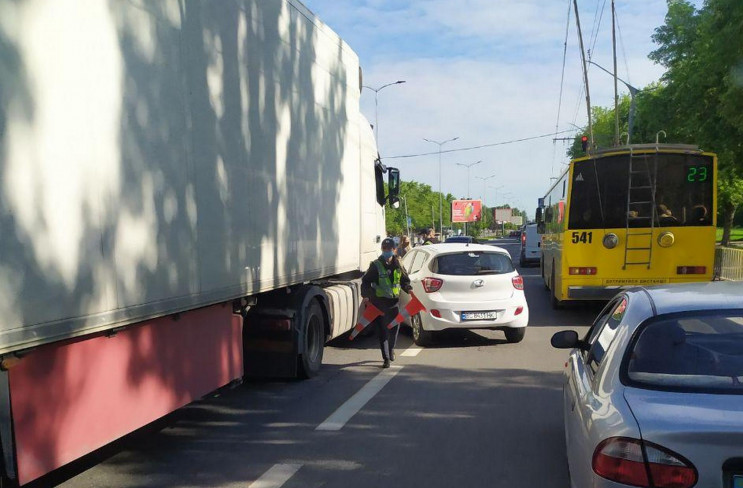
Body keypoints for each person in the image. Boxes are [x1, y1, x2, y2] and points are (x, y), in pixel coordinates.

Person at [361, 238, 413, 368]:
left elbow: (404, 281)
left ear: (394, 250)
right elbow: (366, 281)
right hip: (379, 303)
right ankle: (386, 359)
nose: (387, 252)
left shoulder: (399, 264)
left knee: (394, 329)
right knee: (383, 331)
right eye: (384, 249)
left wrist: (409, 289)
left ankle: (390, 350)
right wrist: (366, 295)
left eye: (389, 249)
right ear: (382, 250)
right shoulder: (376, 265)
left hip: (394, 303)